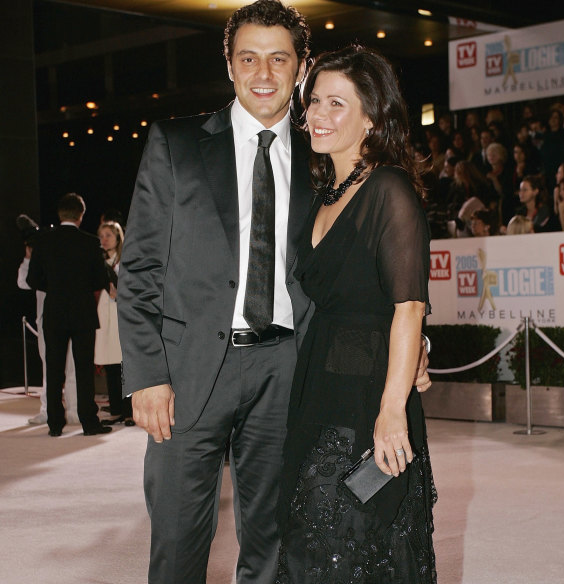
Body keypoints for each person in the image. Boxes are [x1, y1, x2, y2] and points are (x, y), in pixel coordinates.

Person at [117, 2, 430, 582]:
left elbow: (366, 270)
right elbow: (137, 270)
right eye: (249, 58)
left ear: (301, 67)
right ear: (230, 66)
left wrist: (415, 347)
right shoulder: (176, 144)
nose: (264, 73)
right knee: (179, 538)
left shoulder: (324, 162)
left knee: (274, 542)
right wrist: (146, 374)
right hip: (187, 376)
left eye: (279, 59)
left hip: (290, 374)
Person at [275, 45, 437, 583]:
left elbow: (408, 304)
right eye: (314, 100)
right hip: (319, 381)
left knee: (349, 537)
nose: (318, 114)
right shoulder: (325, 194)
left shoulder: (388, 189)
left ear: (371, 117)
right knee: (309, 537)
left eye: (337, 104)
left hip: (368, 397)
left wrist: (392, 410)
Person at [26, 193, 111, 437]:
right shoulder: (90, 242)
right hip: (83, 312)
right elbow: (99, 279)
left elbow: (33, 279)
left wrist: (53, 287)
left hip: (54, 312)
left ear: (60, 214)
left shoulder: (43, 241)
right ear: (81, 215)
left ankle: (55, 424)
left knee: (53, 369)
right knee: (84, 370)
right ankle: (89, 422)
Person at [16, 216, 79, 426]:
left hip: (69, 318)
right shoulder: (38, 263)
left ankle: (74, 410)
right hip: (46, 322)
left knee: (71, 368)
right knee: (49, 369)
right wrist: (28, 257)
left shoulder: (60, 261)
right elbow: (22, 283)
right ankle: (47, 411)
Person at [94, 221, 134, 426]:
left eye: (109, 235)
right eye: (101, 235)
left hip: (122, 312)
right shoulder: (98, 260)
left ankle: (129, 411)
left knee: (123, 365)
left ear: (118, 237)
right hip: (105, 312)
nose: (104, 239)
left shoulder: (126, 259)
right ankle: (117, 410)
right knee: (110, 362)